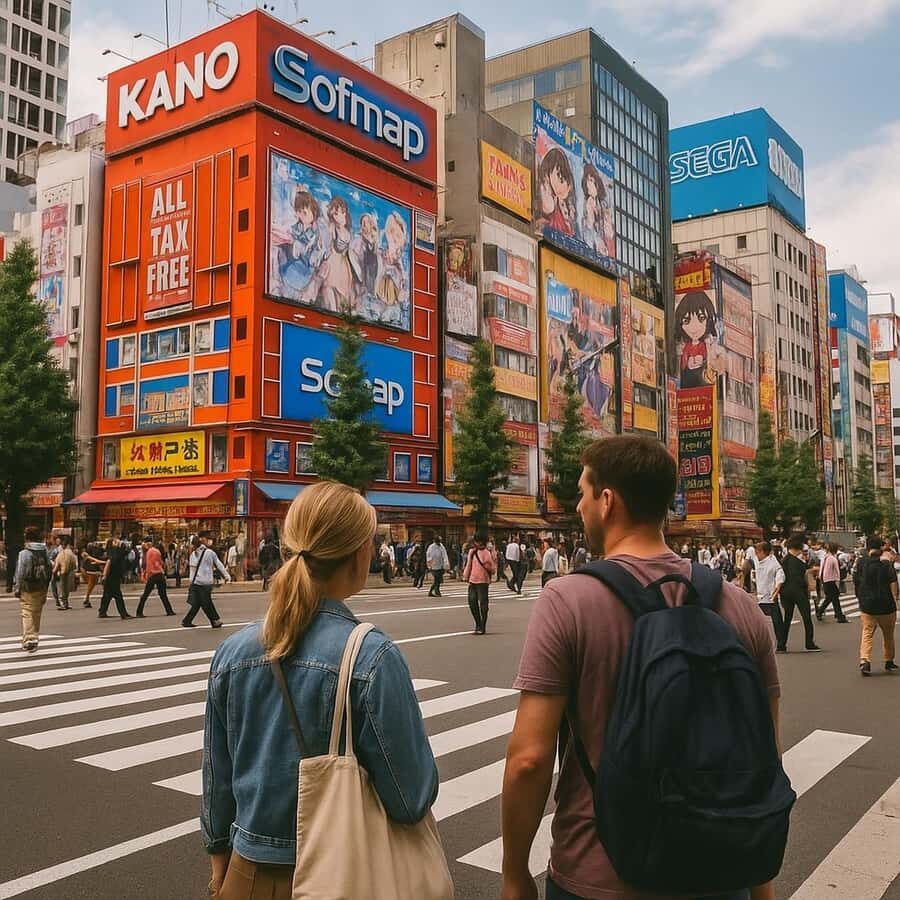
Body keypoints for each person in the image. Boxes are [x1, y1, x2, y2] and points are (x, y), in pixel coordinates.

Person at [500, 436, 781, 900]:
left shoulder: (567, 600)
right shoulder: (740, 606)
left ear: (607, 501)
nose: (578, 505)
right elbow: (762, 754)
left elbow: (529, 759)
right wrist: (759, 883)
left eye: (582, 492)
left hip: (597, 872)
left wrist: (514, 875)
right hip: (720, 868)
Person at [201, 482, 440, 898]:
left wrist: (221, 863)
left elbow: (217, 779)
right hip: (344, 874)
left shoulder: (232, 653)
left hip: (248, 872)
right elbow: (410, 797)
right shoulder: (371, 655)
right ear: (359, 552)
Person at [854, 536, 899, 676]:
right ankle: (889, 660)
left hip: (867, 605)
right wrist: (894, 599)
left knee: (867, 633)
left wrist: (860, 597)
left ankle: (865, 660)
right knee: (888, 634)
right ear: (880, 548)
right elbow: (893, 582)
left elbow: (856, 581)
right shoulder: (886, 564)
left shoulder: (861, 563)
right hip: (886, 605)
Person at [14, 526, 52, 652]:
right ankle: (32, 636)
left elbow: (21, 572)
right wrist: (47, 585)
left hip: (28, 586)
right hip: (41, 585)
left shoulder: (24, 553)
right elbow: (49, 568)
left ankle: (30, 638)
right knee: (36, 612)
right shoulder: (44, 551)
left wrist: (17, 587)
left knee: (27, 611)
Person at [779, 535, 820, 652]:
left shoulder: (784, 561)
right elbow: (805, 576)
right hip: (798, 592)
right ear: (798, 548)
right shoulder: (799, 562)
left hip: (786, 592)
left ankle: (782, 644)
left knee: (787, 618)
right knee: (806, 617)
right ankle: (809, 642)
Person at [183, 535, 230, 628]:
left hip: (202, 583)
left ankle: (189, 621)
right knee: (203, 602)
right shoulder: (195, 554)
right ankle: (214, 621)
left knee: (202, 603)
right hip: (200, 583)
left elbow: (218, 564)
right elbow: (219, 564)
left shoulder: (206, 553)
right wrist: (226, 575)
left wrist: (226, 575)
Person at [755, 541, 786, 648]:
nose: (756, 554)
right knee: (756, 621)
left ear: (763, 552)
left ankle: (781, 643)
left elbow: (780, 574)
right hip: (759, 596)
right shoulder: (757, 561)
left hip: (770, 596)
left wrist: (778, 586)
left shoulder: (772, 562)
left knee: (777, 621)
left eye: (758, 552)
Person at [463, 533, 496, 635]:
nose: (477, 543)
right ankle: (478, 623)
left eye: (479, 541)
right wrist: (466, 575)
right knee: (472, 602)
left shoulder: (487, 553)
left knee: (483, 604)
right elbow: (468, 565)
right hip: (472, 580)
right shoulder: (472, 552)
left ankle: (483, 626)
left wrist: (488, 565)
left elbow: (493, 569)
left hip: (483, 581)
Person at [136, 537, 175, 618]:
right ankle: (169, 610)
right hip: (160, 573)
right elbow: (161, 562)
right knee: (163, 594)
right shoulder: (157, 550)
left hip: (153, 574)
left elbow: (149, 565)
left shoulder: (149, 552)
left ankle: (139, 611)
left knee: (145, 594)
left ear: (148, 544)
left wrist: (146, 575)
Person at [98, 538, 133, 620]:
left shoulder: (115, 551)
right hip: (112, 576)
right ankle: (123, 614)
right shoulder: (113, 551)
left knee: (107, 595)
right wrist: (104, 575)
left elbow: (126, 549)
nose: (118, 542)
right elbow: (108, 563)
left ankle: (102, 611)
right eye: (115, 541)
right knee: (118, 596)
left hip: (113, 575)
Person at [816, 543, 849, 623]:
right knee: (833, 597)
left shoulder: (824, 557)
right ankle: (837, 616)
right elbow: (837, 571)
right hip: (831, 580)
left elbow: (821, 569)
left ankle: (837, 615)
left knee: (832, 598)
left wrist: (821, 577)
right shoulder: (833, 559)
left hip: (824, 580)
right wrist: (838, 581)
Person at [52, 536, 78, 611]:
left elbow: (56, 565)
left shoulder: (61, 554)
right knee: (66, 589)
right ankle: (66, 603)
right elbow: (74, 564)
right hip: (69, 572)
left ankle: (63, 604)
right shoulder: (71, 553)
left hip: (62, 573)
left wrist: (54, 572)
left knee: (62, 588)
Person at [79, 543, 104, 609]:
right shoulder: (88, 555)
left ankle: (87, 599)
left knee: (91, 585)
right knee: (91, 584)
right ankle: (86, 598)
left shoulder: (88, 555)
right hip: (90, 570)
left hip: (89, 569)